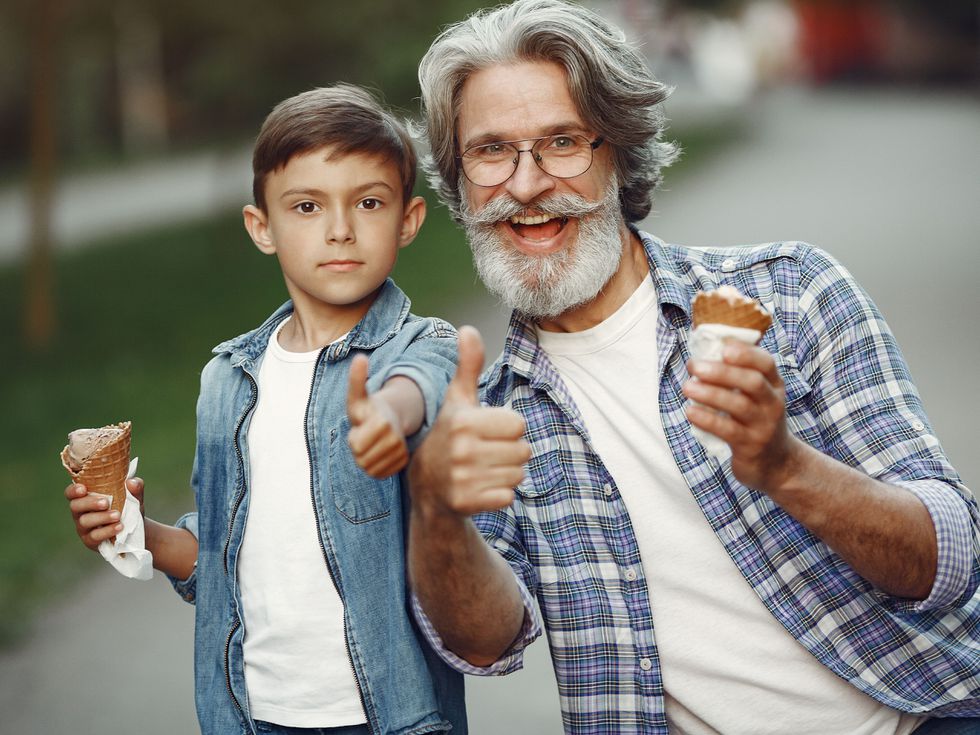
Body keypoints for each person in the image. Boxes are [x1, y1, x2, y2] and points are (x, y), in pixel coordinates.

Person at [404, 1, 980, 734]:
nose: (525, 184)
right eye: (491, 151)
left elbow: (948, 561)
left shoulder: (793, 293)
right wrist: (437, 510)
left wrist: (786, 467)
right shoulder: (482, 417)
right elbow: (483, 643)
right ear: (458, 180)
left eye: (562, 142)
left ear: (620, 151)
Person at [64, 84, 466, 735]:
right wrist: (135, 530)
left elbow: (425, 382)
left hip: (392, 716)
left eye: (368, 202)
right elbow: (219, 562)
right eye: (307, 206)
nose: (340, 228)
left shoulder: (419, 346)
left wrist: (389, 415)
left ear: (408, 220)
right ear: (262, 227)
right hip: (251, 714)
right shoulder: (227, 380)